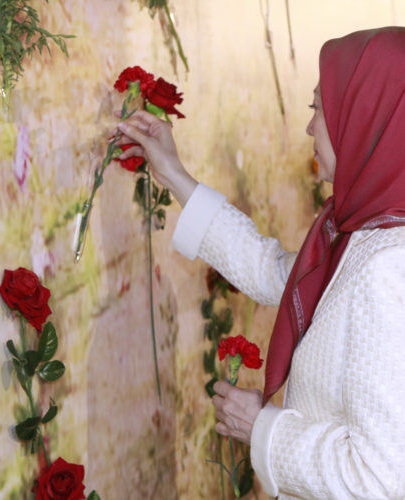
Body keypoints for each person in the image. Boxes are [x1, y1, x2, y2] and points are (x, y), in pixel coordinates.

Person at [116, 27, 405, 499]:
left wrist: (264, 429)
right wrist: (174, 175)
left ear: (365, 117)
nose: (311, 127)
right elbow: (278, 273)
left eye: (320, 108)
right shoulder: (363, 234)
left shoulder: (389, 266)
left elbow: (378, 480)